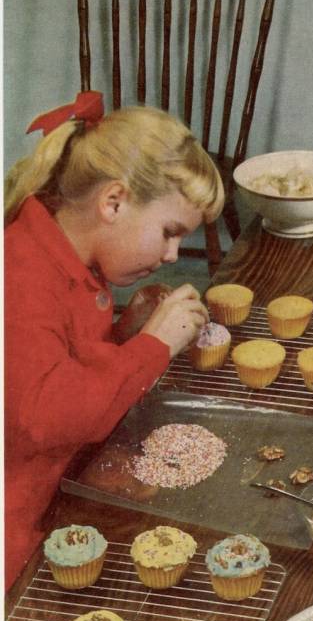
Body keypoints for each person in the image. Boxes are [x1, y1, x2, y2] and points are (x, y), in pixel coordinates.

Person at [4, 92, 224, 587]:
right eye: (169, 232)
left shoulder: (65, 252)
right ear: (114, 202)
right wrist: (153, 346)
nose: (173, 255)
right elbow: (47, 417)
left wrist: (129, 333)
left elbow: (66, 363)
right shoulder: (18, 273)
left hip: (56, 488)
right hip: (15, 532)